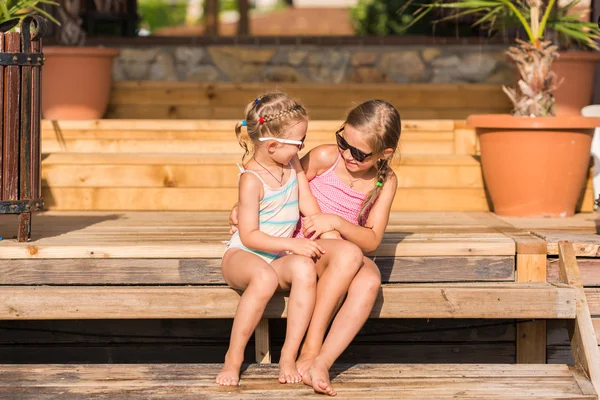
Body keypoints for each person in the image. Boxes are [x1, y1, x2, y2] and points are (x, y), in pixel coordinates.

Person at [230, 99, 402, 396]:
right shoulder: (326, 157)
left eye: (359, 153)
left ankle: (321, 361)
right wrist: (240, 208)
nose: (347, 154)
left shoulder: (385, 181)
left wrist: (335, 222)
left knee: (370, 280)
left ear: (384, 153)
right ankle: (309, 349)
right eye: (343, 142)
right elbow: (278, 181)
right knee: (349, 254)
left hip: (345, 251)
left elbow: (372, 239)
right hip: (306, 247)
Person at [217, 92, 326, 387]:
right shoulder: (252, 179)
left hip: (276, 257)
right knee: (263, 278)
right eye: (299, 142)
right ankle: (234, 357)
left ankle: (289, 355)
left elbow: (308, 204)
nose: (303, 147)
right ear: (273, 145)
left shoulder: (292, 166)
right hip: (244, 255)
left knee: (304, 268)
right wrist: (292, 244)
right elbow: (249, 234)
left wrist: (325, 231)